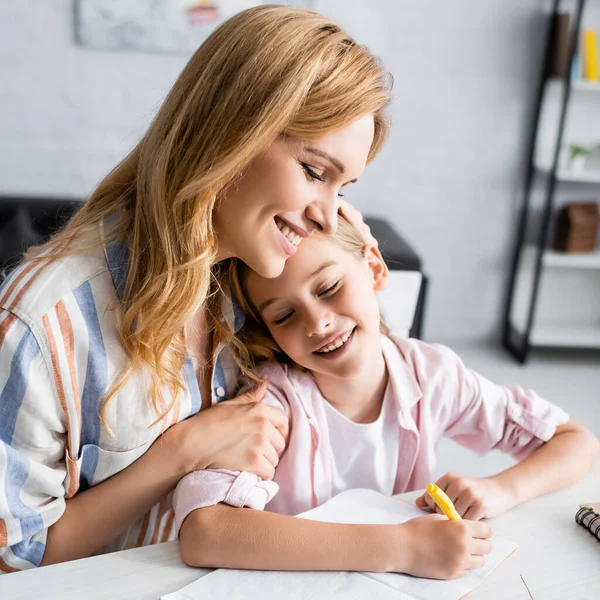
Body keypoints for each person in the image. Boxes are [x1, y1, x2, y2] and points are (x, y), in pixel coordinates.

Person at [0, 6, 392, 572]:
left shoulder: (261, 271)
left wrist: (360, 273)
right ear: (231, 134)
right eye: (314, 171)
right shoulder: (42, 324)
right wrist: (182, 452)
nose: (331, 217)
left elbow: (364, 374)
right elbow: (15, 559)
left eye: (344, 186)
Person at [173, 216, 600, 580]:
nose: (318, 323)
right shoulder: (272, 403)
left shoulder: (431, 374)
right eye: (284, 315)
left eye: (328, 288)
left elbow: (576, 441)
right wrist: (400, 547)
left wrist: (502, 489)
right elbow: (204, 533)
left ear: (374, 269)